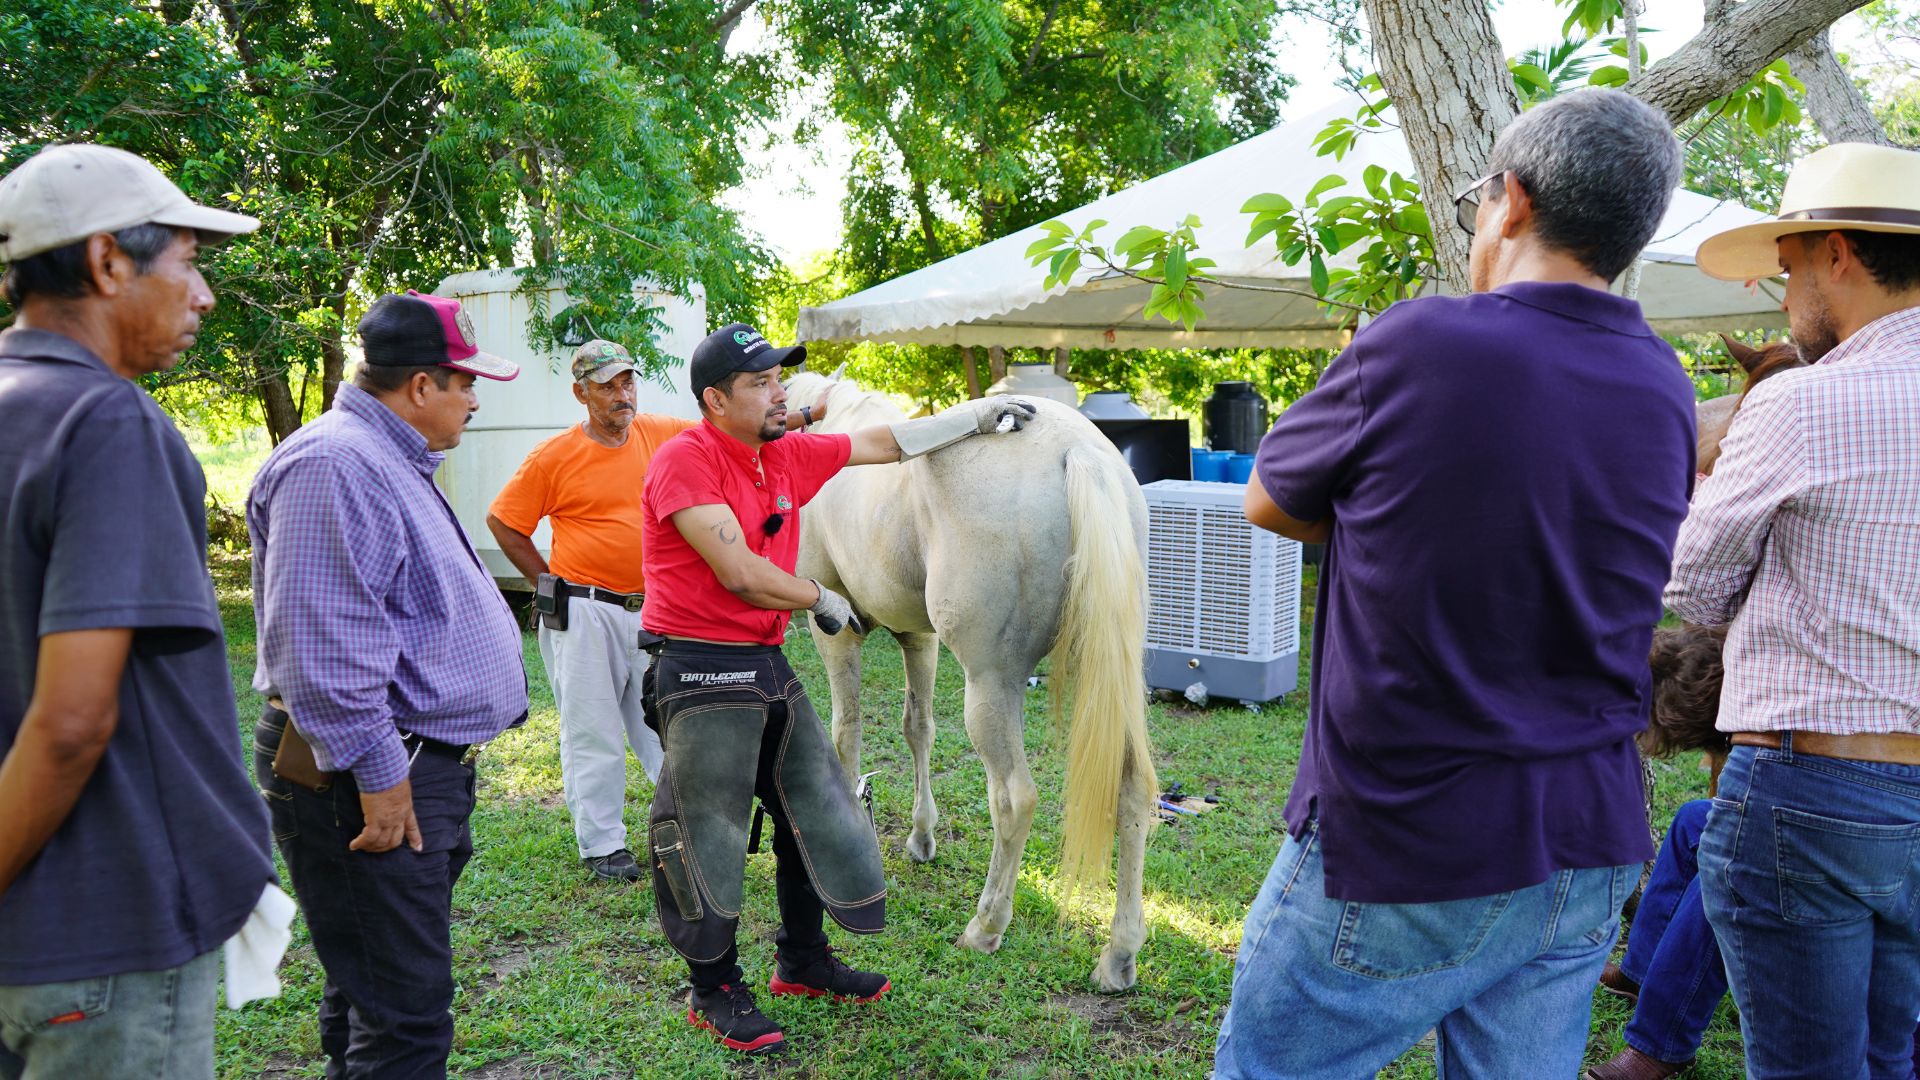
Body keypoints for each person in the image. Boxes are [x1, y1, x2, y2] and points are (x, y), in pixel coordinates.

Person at [1213, 89, 1695, 1079]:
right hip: (1587, 840)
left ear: (1508, 201)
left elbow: (1267, 498)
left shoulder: (1420, 341)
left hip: (1409, 837)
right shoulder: (1664, 380)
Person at [639, 322, 1035, 1055]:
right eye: (759, 383)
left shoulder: (782, 454)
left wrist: (971, 418)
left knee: (811, 812)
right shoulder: (683, 462)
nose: (778, 391)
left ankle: (804, 960)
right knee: (708, 833)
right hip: (696, 667)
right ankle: (714, 989)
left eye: (779, 378)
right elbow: (741, 573)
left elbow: (879, 443)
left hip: (762, 661)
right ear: (715, 400)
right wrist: (818, 594)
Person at [0, 144, 273, 1078]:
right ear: (109, 260)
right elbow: (74, 720)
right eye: (189, 263)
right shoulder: (103, 420)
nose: (202, 296)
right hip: (105, 926)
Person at [1671, 141, 1920, 1080]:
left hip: (1812, 788)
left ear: (1837, 256)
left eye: (1788, 269)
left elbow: (1694, 591)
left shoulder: (1805, 403)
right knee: (1889, 1059)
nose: (1785, 298)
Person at [247, 289, 527, 1078]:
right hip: (372, 769)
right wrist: (382, 778)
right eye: (467, 383)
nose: (474, 400)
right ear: (421, 386)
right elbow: (321, 650)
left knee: (372, 981)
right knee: (406, 1021)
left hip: (410, 765)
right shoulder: (337, 464)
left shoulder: (386, 457)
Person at [487, 339, 825, 881]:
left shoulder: (663, 434)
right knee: (591, 728)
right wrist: (544, 582)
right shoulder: (553, 456)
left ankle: (692, 831)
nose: (622, 395)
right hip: (584, 610)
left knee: (671, 726)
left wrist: (802, 414)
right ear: (582, 393)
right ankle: (602, 847)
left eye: (627, 382)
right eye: (607, 386)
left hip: (654, 611)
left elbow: (729, 430)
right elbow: (504, 521)